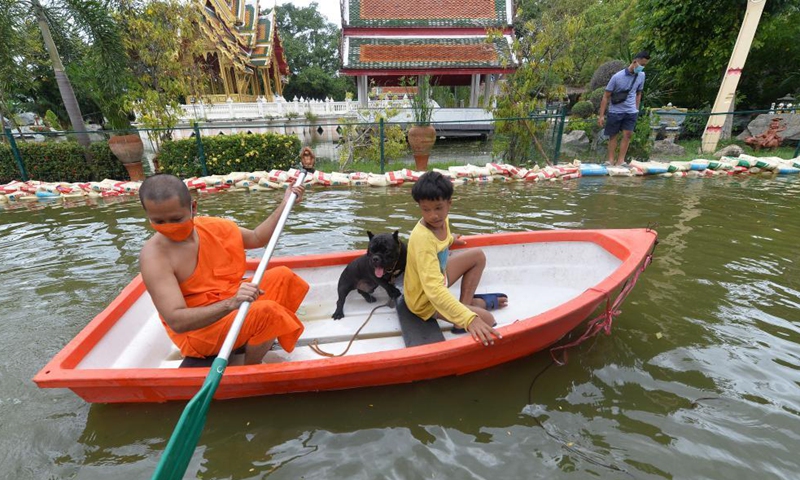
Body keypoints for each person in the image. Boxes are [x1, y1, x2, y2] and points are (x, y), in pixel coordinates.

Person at [138, 173, 308, 365]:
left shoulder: (212, 227)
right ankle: (250, 367)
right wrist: (231, 304)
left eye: (176, 219)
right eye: (159, 222)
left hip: (227, 301)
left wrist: (285, 204)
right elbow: (177, 321)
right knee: (268, 313)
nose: (169, 227)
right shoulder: (154, 257)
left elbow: (257, 238)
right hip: (198, 333)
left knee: (283, 277)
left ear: (193, 208)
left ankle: (252, 338)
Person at [404, 171, 506, 347]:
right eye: (425, 209)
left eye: (438, 208)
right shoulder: (422, 238)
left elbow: (441, 239)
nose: (432, 215)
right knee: (488, 319)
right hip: (425, 301)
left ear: (448, 204)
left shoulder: (442, 221)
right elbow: (434, 291)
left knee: (477, 256)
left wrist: (451, 240)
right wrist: (469, 318)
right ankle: (465, 313)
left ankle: (463, 309)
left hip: (439, 277)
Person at [598, 51, 651, 166]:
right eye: (642, 64)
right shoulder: (617, 77)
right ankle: (611, 160)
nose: (642, 68)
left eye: (645, 65)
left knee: (628, 134)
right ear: (634, 62)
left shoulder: (641, 75)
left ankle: (621, 161)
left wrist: (636, 109)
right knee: (613, 135)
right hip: (615, 111)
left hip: (631, 111)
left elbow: (639, 93)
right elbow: (606, 96)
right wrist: (601, 115)